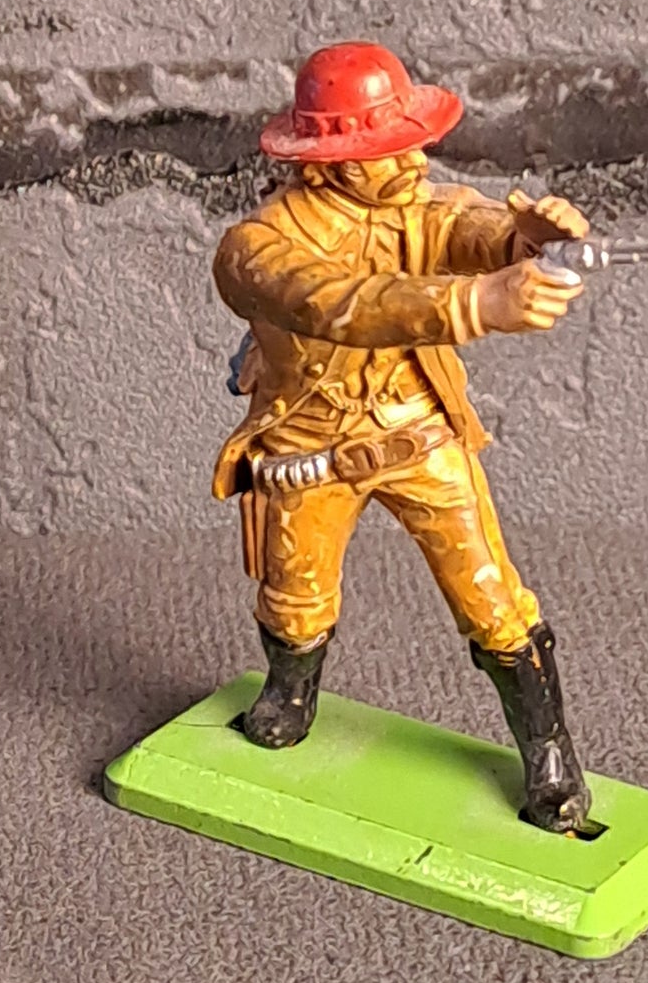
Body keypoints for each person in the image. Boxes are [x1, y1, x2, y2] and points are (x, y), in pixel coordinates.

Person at [212, 40, 594, 833]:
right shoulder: (256, 249)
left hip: (419, 437)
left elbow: (471, 225)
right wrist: (476, 305)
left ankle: (549, 751)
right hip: (308, 452)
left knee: (494, 599)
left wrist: (529, 239)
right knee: (296, 600)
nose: (414, 160)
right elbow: (336, 302)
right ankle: (289, 694)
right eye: (389, 148)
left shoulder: (417, 206)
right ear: (331, 162)